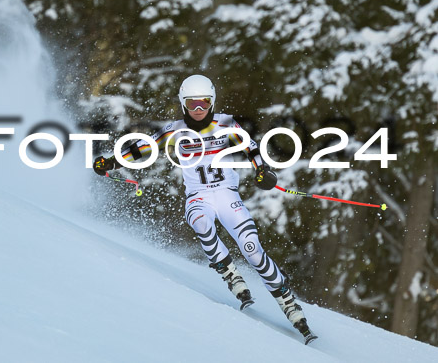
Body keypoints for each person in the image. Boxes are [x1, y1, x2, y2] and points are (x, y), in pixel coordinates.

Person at [93, 74, 317, 344]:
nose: (198, 110)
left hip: (226, 194)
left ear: (212, 103)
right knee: (200, 222)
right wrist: (111, 161)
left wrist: (262, 171)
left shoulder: (225, 123)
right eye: (192, 104)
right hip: (198, 196)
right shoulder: (174, 131)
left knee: (252, 249)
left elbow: (252, 147)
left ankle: (287, 300)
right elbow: (142, 148)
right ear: (183, 104)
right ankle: (227, 271)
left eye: (203, 104)